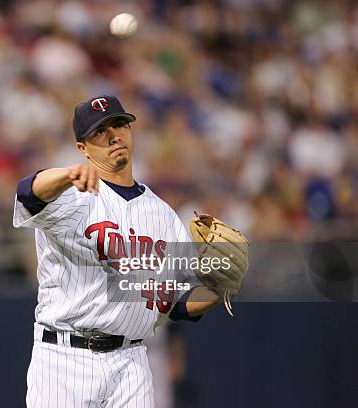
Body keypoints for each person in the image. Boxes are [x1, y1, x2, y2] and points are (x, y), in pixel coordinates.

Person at [13, 95, 222, 407]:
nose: (113, 136)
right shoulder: (69, 195)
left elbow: (177, 301)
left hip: (132, 360)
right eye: (100, 131)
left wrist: (220, 287)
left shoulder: (162, 214)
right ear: (82, 148)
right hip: (64, 358)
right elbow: (28, 193)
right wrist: (66, 175)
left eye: (119, 124)